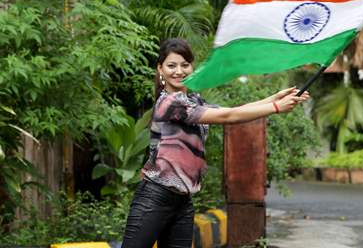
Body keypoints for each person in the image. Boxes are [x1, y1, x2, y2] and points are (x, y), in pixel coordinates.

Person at [121, 38, 310, 248]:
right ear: (160, 69)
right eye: (171, 66)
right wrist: (275, 107)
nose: (179, 71)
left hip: (183, 202)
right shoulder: (170, 102)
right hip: (155, 198)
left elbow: (231, 111)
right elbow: (228, 117)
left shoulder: (194, 101)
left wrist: (273, 98)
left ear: (192, 67)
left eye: (185, 65)